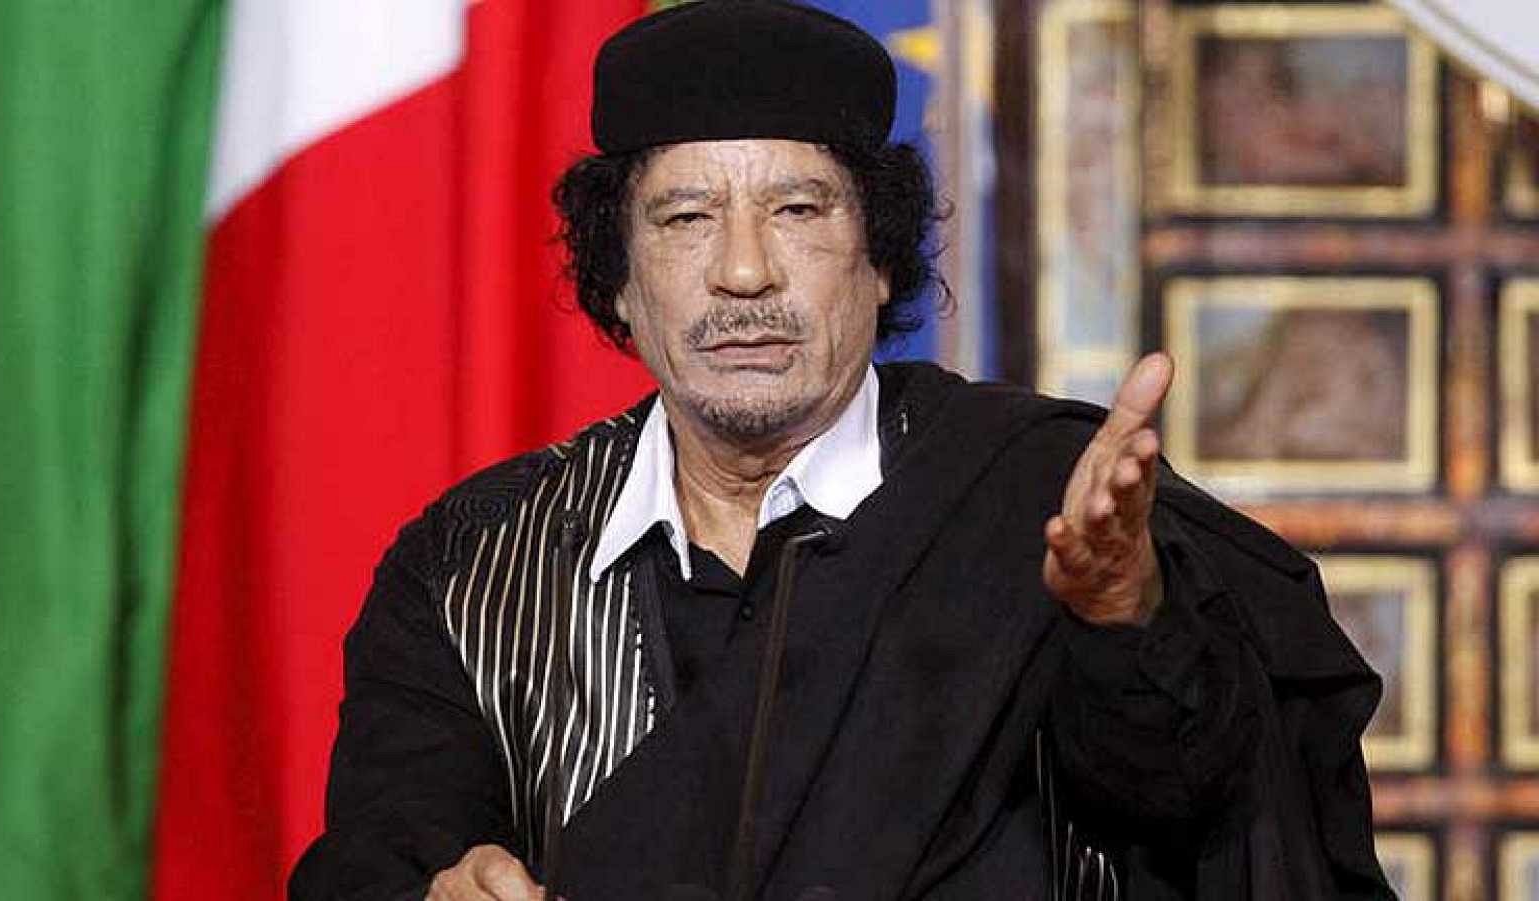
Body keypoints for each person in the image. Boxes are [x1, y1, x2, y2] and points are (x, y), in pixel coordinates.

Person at [289, 2, 1394, 899]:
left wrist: (1123, 617)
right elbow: (377, 859)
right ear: (617, 280)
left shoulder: (1037, 498)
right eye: (685, 219)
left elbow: (1203, 814)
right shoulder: (473, 566)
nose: (744, 273)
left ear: (880, 261)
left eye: (798, 210)